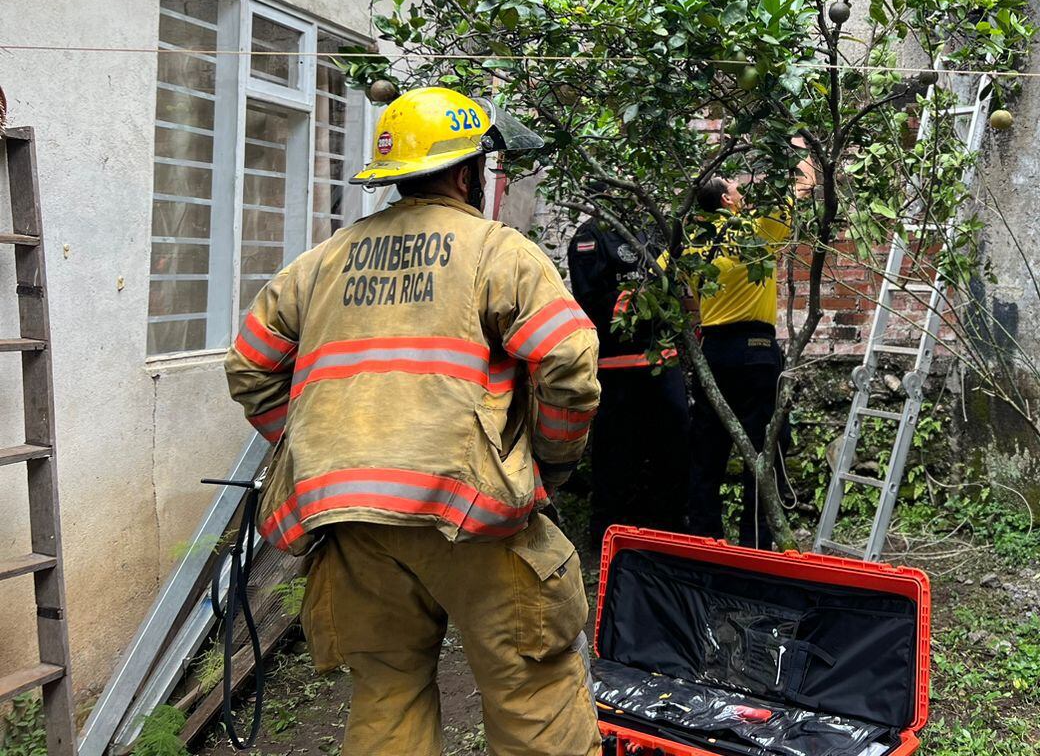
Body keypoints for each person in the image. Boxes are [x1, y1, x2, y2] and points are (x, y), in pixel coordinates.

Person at [225, 87, 602, 756]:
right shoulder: (497, 251)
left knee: (387, 697)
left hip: (352, 523)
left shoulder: (322, 261)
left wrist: (317, 450)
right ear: (466, 173)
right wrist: (551, 459)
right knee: (533, 697)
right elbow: (568, 358)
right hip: (471, 512)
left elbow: (250, 366)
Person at [682, 174, 805, 550]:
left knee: (706, 454)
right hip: (755, 350)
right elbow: (803, 185)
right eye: (736, 186)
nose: (743, 190)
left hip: (712, 352)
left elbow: (662, 273)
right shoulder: (754, 231)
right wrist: (796, 147)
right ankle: (755, 546)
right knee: (764, 452)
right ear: (726, 201)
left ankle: (705, 546)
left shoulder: (691, 244)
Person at [567, 212, 689, 548]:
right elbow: (590, 301)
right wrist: (638, 299)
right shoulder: (590, 236)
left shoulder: (652, 229)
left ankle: (669, 537)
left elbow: (674, 286)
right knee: (616, 456)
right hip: (617, 368)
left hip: (662, 364)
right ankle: (609, 539)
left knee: (673, 448)